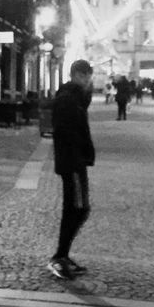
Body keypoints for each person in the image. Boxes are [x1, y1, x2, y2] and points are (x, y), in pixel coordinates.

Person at [49, 59, 95, 280]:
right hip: (72, 162)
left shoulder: (74, 98)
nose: (87, 80)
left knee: (77, 208)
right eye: (84, 76)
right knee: (77, 208)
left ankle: (62, 255)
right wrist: (76, 157)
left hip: (76, 161)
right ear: (75, 75)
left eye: (89, 76)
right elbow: (64, 132)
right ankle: (59, 256)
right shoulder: (67, 99)